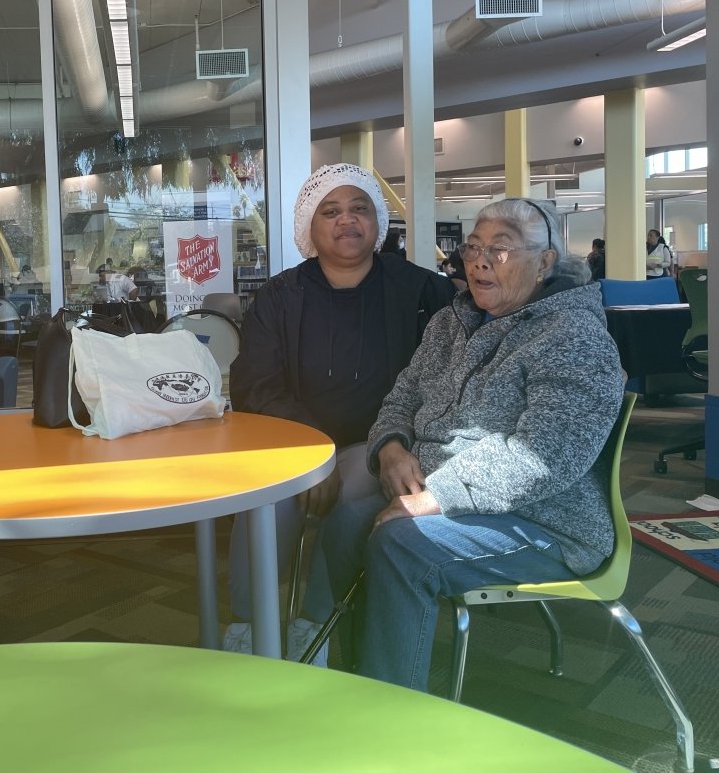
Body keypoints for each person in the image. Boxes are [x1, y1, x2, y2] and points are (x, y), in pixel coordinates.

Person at [322, 197, 624, 690]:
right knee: (345, 525)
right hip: (447, 497)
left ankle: (392, 711)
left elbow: (545, 458)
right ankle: (359, 679)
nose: (480, 262)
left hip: (545, 520)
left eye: (500, 249)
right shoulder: (451, 322)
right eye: (473, 248)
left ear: (544, 262)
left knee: (403, 545)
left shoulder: (573, 336)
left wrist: (437, 496)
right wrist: (391, 448)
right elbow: (402, 396)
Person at [225, 163, 456, 664]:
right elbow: (254, 383)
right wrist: (312, 452)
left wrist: (391, 442)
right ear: (309, 227)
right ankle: (250, 626)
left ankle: (314, 625)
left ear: (378, 221)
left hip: (383, 445)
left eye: (359, 208)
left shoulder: (424, 292)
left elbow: (446, 380)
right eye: (330, 211)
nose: (346, 220)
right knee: (266, 497)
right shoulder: (280, 296)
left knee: (352, 495)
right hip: (297, 443)